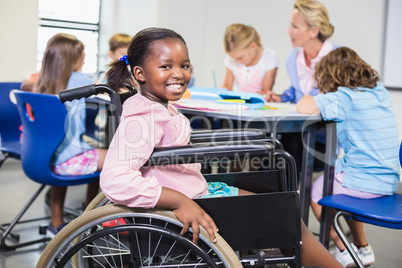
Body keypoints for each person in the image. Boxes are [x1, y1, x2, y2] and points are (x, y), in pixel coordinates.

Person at [100, 27, 342, 267]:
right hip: (186, 202)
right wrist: (179, 202)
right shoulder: (144, 118)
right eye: (166, 66)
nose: (179, 73)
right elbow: (115, 179)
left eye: (184, 66)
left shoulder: (159, 107)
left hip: (196, 190)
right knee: (285, 217)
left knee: (282, 209)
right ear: (140, 74)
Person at [296, 47, 400, 267]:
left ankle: (343, 250)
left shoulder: (342, 98)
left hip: (362, 182)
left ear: (329, 76)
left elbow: (303, 107)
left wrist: (312, 93)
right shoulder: (379, 91)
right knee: (339, 180)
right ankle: (362, 247)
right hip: (389, 181)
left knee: (318, 191)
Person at [33, 33, 107, 237]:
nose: (84, 60)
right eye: (82, 56)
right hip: (67, 161)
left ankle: (55, 223)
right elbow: (105, 89)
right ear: (73, 59)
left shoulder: (42, 83)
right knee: (112, 157)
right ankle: (88, 218)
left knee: (90, 152)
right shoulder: (81, 79)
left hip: (46, 159)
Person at [266, 0, 336, 103]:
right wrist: (281, 98)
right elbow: (300, 91)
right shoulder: (293, 57)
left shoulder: (340, 58)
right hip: (302, 118)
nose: (288, 31)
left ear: (314, 31)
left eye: (294, 26)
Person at [222, 23, 278, 97]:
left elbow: (265, 92)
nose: (236, 61)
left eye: (240, 57)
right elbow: (227, 86)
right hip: (237, 104)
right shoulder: (232, 59)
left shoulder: (269, 58)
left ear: (253, 47)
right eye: (233, 58)